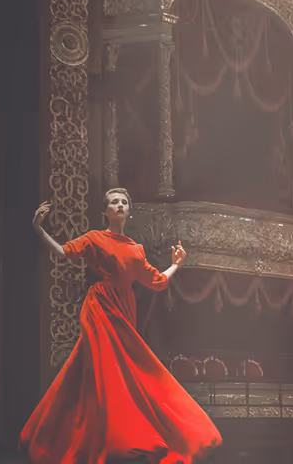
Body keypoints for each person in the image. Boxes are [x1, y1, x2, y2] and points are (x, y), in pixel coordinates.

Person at [20, 188, 222, 464]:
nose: (119, 205)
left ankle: (114, 436)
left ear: (129, 210)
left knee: (124, 371)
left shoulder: (135, 249)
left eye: (124, 202)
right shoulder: (94, 238)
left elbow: (157, 281)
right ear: (105, 211)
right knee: (104, 368)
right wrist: (38, 230)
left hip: (125, 312)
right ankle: (104, 440)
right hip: (99, 307)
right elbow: (65, 251)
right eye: (114, 202)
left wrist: (176, 265)